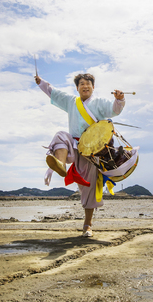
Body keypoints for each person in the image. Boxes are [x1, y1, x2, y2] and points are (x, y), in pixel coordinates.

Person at [34, 73, 125, 237]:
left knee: (88, 188)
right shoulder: (71, 101)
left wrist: (119, 100)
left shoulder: (99, 102)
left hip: (93, 151)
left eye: (88, 84)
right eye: (82, 84)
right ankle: (60, 163)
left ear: (93, 87)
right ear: (77, 88)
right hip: (74, 145)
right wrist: (41, 83)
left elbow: (114, 110)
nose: (85, 86)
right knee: (60, 136)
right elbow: (53, 92)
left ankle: (87, 225)